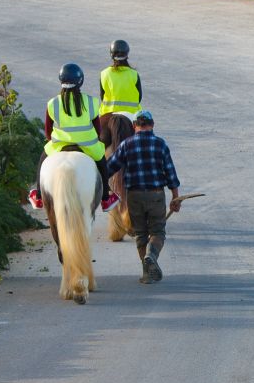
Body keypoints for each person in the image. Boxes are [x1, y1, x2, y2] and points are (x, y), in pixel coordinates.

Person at [28, 63, 120, 213]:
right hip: (88, 146)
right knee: (102, 163)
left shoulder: (53, 103)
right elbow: (97, 130)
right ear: (81, 81)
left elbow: (47, 132)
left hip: (59, 145)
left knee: (42, 160)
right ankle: (105, 198)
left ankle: (38, 196)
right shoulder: (91, 102)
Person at [106, 110, 182, 284]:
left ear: (134, 126)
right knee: (158, 232)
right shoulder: (160, 144)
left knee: (140, 235)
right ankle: (151, 255)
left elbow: (110, 168)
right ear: (152, 124)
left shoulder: (126, 144)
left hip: (134, 196)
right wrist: (175, 198)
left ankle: (147, 274)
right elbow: (171, 173)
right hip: (156, 195)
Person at [100, 39, 142, 118]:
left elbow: (102, 97)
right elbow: (139, 98)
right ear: (127, 54)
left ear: (111, 54)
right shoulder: (134, 74)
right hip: (132, 115)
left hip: (109, 114)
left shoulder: (104, 73)